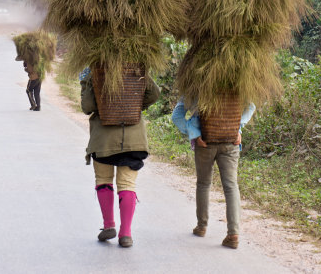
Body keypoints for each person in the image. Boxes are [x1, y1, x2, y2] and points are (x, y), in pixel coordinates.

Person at [80, 68, 160, 248]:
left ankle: (109, 225)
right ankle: (126, 233)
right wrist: (135, 105)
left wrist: (85, 83)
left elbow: (87, 107)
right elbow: (154, 94)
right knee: (127, 184)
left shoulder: (95, 71)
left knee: (103, 180)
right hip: (133, 139)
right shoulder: (137, 69)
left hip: (103, 140)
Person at [172, 99, 255, 249]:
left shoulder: (195, 89)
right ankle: (233, 234)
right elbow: (251, 106)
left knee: (203, 184)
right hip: (230, 141)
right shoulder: (237, 88)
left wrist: (195, 133)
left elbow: (177, 116)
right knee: (231, 186)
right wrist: (238, 128)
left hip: (204, 142)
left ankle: (202, 227)